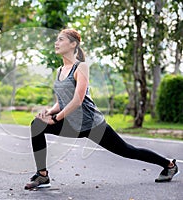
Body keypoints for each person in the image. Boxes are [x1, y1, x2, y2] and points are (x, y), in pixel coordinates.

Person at [24, 28, 179, 190]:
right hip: (71, 123)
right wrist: (48, 113)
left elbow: (78, 100)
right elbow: (60, 102)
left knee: (128, 151)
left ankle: (169, 165)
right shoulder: (59, 71)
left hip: (92, 125)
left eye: (61, 39)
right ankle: (42, 175)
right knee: (37, 125)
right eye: (57, 39)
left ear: (73, 44)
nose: (56, 43)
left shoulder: (81, 67)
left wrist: (55, 119)